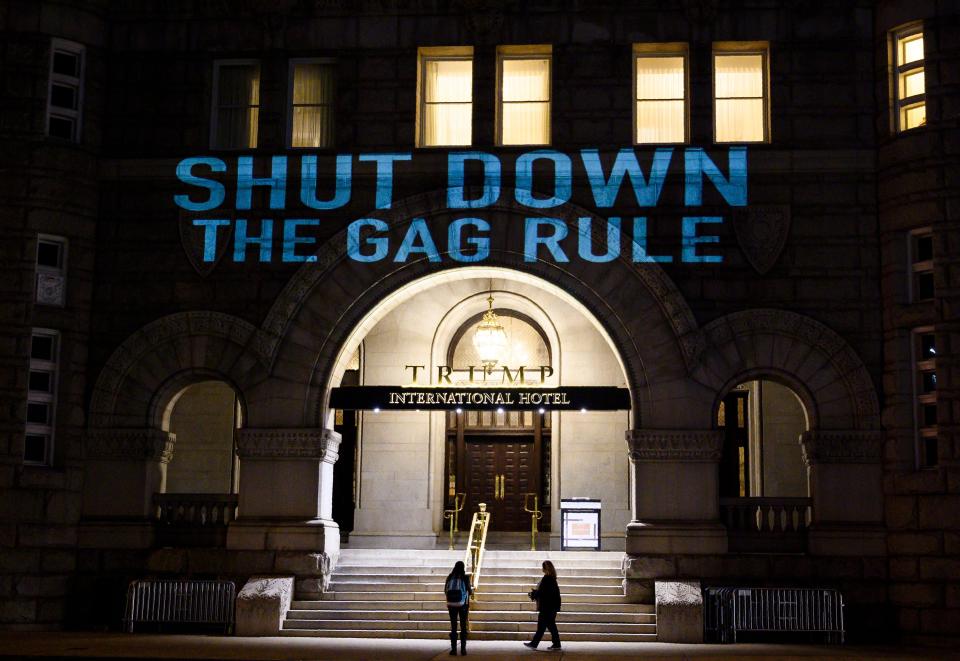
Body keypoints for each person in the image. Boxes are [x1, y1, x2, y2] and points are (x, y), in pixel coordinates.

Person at [523, 560, 562, 651]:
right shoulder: (552, 579)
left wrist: (534, 594)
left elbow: (543, 592)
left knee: (542, 626)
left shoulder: (547, 579)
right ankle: (556, 644)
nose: (542, 569)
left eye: (543, 567)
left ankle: (535, 643)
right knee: (550, 626)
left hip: (547, 608)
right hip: (551, 608)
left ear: (545, 568)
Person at [444, 560, 472, 656]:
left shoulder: (450, 577)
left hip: (451, 604)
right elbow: (470, 591)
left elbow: (445, 590)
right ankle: (463, 649)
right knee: (463, 626)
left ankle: (453, 650)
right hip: (462, 604)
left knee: (453, 626)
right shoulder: (465, 577)